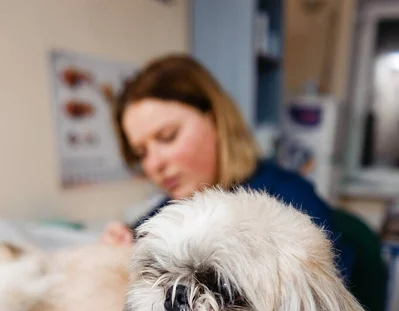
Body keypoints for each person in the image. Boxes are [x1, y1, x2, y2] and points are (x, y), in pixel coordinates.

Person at [100, 54, 350, 279]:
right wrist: (122, 241)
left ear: (216, 120)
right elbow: (134, 240)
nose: (153, 165)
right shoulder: (172, 209)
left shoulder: (292, 203)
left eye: (168, 136)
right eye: (141, 153)